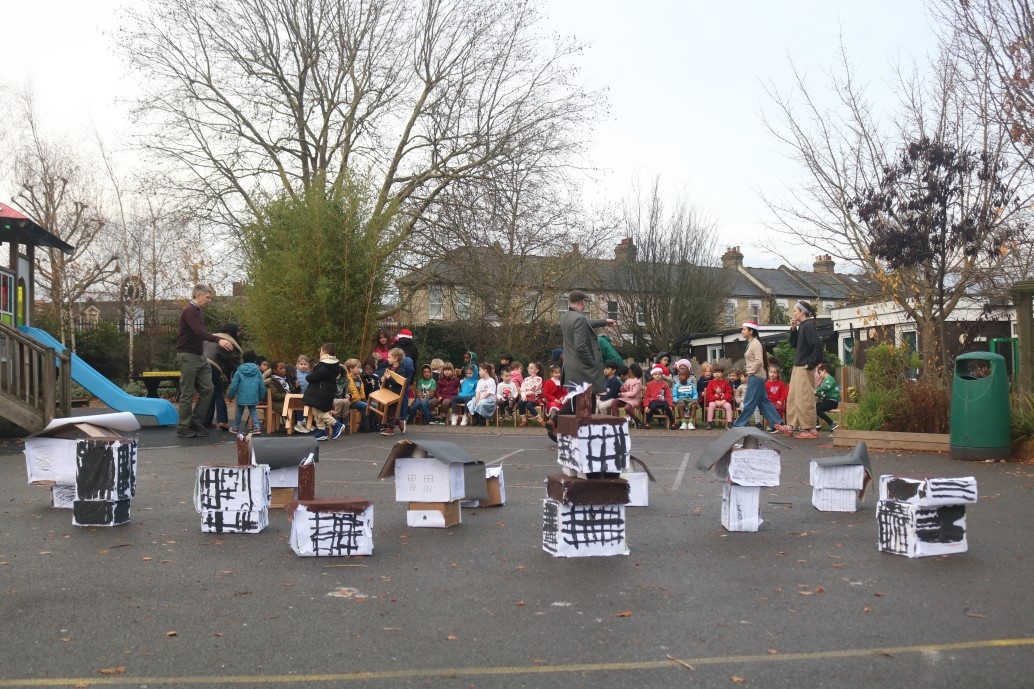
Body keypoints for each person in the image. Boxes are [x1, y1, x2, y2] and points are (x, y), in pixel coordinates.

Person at [175, 284, 234, 438]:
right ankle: (183, 427)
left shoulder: (197, 311)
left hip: (200, 356)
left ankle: (195, 421)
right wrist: (218, 340)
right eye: (207, 297)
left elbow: (199, 333)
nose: (209, 300)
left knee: (208, 389)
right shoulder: (190, 310)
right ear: (198, 295)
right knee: (187, 393)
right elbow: (199, 332)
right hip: (188, 355)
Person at [559, 290, 616, 400]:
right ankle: (560, 412)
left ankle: (561, 411)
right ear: (582, 302)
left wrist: (604, 321)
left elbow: (586, 323)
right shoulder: (579, 318)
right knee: (587, 404)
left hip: (571, 368)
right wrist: (591, 362)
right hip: (583, 370)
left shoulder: (566, 317)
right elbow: (580, 346)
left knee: (575, 403)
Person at [732, 321, 785, 433]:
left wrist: (750, 372)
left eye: (744, 329)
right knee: (763, 402)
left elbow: (759, 361)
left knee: (749, 401)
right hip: (758, 376)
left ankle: (739, 424)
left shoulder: (755, 343)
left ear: (751, 331)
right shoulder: (751, 343)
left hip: (755, 376)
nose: (742, 331)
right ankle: (777, 424)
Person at [784, 300, 825, 439]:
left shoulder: (808, 326)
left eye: (795, 310)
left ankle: (811, 429)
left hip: (804, 367)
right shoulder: (802, 326)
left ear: (802, 312)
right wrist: (793, 329)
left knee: (805, 398)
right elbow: (794, 344)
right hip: (798, 366)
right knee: (793, 397)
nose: (793, 313)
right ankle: (791, 426)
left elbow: (818, 346)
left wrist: (811, 363)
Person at [203, 322, 242, 431]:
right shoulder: (229, 342)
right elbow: (235, 363)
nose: (239, 333)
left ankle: (206, 421)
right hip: (213, 367)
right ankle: (222, 420)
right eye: (238, 331)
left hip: (200, 365)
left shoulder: (212, 338)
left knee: (208, 393)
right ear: (233, 332)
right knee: (218, 392)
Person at [303, 343, 345, 441]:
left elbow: (315, 376)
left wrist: (309, 376)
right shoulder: (330, 366)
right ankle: (321, 431)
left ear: (325, 353)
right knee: (316, 411)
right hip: (322, 393)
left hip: (321, 393)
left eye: (321, 351)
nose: (320, 353)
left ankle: (336, 424)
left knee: (319, 413)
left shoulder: (326, 366)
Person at [227, 350, 266, 435]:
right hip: (253, 395)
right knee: (253, 410)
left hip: (242, 395)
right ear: (254, 360)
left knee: (239, 411)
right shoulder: (257, 371)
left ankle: (235, 428)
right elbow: (261, 385)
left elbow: (234, 385)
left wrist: (230, 396)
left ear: (243, 360)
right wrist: (261, 396)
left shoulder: (239, 371)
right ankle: (257, 427)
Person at [379, 347, 414, 436]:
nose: (387, 359)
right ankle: (390, 423)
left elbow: (397, 384)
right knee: (386, 407)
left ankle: (390, 428)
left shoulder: (401, 370)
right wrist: (383, 378)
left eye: (389, 357)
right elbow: (386, 378)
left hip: (396, 393)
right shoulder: (389, 367)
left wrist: (389, 378)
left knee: (391, 408)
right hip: (388, 391)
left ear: (395, 358)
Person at [342, 358, 370, 431]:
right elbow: (348, 391)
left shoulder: (358, 377)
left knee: (374, 405)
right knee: (367, 406)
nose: (360, 369)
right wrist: (353, 397)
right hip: (352, 401)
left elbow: (361, 390)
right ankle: (363, 426)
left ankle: (371, 424)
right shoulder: (347, 378)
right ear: (351, 369)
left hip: (360, 399)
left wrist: (363, 398)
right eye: (358, 367)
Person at [615, 362, 645, 428]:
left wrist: (623, 394)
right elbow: (625, 389)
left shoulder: (637, 382)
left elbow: (633, 394)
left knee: (627, 407)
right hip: (626, 399)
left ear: (630, 371)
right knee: (614, 402)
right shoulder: (628, 380)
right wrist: (622, 389)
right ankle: (616, 421)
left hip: (634, 399)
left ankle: (637, 420)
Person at [704, 365, 734, 430]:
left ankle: (729, 423)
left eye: (718, 372)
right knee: (711, 405)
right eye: (715, 372)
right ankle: (709, 423)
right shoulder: (711, 382)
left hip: (723, 401)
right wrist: (715, 400)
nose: (716, 374)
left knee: (728, 406)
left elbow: (728, 392)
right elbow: (709, 393)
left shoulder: (725, 383)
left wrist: (724, 400)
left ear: (722, 373)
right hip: (714, 401)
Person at [814, 362, 842, 432]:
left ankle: (832, 423)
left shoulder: (829, 379)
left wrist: (817, 390)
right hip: (828, 401)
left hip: (832, 401)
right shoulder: (825, 381)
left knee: (818, 410)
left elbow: (827, 387)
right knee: (813, 407)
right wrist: (816, 394)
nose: (819, 375)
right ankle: (816, 424)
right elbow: (823, 394)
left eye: (820, 372)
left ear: (824, 371)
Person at [671, 363, 698, 430]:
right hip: (680, 400)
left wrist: (694, 399)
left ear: (688, 377)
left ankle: (690, 423)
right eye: (680, 375)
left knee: (694, 405)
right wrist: (677, 400)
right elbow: (674, 396)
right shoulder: (676, 386)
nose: (681, 377)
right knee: (681, 405)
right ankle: (683, 423)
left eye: (683, 375)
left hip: (690, 399)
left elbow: (695, 394)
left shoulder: (691, 385)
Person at [517, 361, 543, 426]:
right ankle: (524, 420)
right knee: (520, 403)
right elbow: (522, 388)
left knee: (529, 405)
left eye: (531, 368)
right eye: (528, 368)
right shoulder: (526, 379)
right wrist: (523, 395)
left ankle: (540, 420)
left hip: (535, 398)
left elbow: (533, 389)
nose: (529, 369)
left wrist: (532, 379)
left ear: (536, 370)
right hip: (526, 397)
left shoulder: (538, 379)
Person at [765, 364, 788, 431]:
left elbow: (783, 394)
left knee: (779, 407)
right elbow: (765, 394)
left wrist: (781, 401)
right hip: (770, 402)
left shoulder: (781, 384)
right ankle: (769, 425)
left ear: (777, 374)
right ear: (768, 373)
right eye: (771, 372)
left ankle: (779, 424)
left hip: (778, 402)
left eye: (774, 372)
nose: (772, 374)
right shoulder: (766, 384)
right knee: (769, 408)